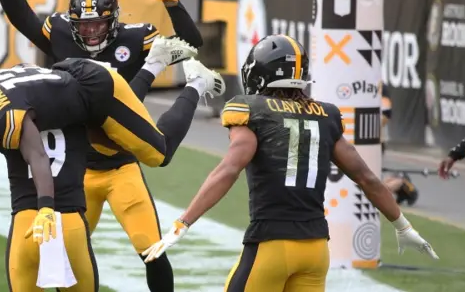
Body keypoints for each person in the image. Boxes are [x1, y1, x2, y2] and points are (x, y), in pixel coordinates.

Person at [0, 49, 223, 291]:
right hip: (56, 92)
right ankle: (155, 67)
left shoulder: (7, 116)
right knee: (103, 140)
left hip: (94, 84)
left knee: (156, 152)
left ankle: (189, 81)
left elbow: (36, 156)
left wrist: (46, 205)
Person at [0, 0, 205, 292]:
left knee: (150, 248)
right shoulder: (59, 32)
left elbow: (192, 43)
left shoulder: (135, 38)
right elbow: (21, 16)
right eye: (82, 25)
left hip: (122, 165)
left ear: (113, 19)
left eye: (97, 23)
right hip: (77, 170)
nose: (89, 33)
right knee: (60, 250)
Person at [143, 35, 438, 292]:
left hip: (272, 245)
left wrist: (183, 223)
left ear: (260, 74)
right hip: (316, 251)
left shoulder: (251, 109)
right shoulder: (326, 114)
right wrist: (402, 226)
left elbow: (229, 169)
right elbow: (367, 178)